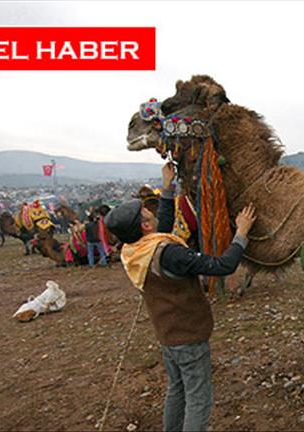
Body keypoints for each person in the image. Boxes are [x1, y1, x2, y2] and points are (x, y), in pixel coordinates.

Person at [104, 162, 256, 432]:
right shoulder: (171, 254)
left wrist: (167, 187)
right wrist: (241, 234)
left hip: (168, 336)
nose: (150, 210)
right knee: (199, 398)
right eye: (145, 211)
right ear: (145, 225)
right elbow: (223, 266)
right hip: (189, 337)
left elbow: (162, 227)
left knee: (177, 390)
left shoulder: (134, 250)